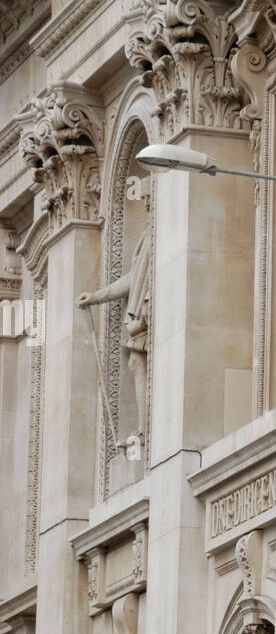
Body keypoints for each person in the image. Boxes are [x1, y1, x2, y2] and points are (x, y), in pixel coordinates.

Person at [77, 179, 151, 445]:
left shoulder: (156, 233)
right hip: (142, 310)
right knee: (135, 362)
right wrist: (98, 296)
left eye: (146, 199)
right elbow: (134, 277)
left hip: (147, 311)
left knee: (137, 362)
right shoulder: (148, 235)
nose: (144, 204)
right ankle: (143, 430)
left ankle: (144, 431)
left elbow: (138, 278)